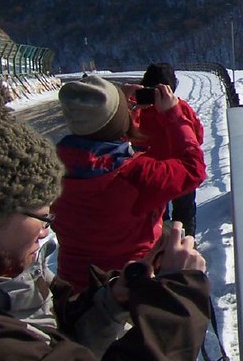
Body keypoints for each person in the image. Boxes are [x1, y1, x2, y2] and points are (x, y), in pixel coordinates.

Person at [0, 69, 210, 361]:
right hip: (122, 283)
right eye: (42, 218)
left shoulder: (61, 162)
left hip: (78, 283)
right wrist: (179, 295)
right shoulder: (135, 172)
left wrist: (108, 302)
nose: (47, 231)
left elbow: (47, 344)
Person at [52, 74, 206, 293]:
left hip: (71, 289)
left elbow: (102, 146)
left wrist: (119, 110)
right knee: (178, 239)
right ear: (119, 121)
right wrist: (174, 115)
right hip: (126, 286)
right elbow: (193, 170)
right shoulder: (137, 175)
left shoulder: (51, 169)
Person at [134, 62, 205, 236]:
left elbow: (131, 137)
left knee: (157, 215)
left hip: (153, 172)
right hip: (180, 168)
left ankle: (161, 244)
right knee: (185, 210)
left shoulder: (140, 112)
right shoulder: (180, 108)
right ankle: (187, 243)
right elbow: (198, 136)